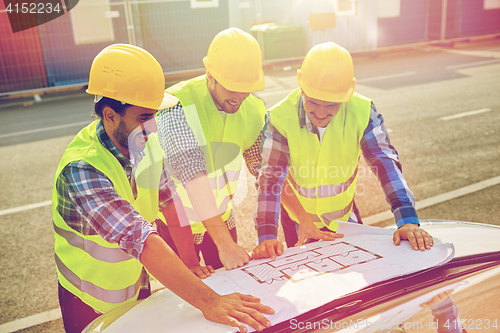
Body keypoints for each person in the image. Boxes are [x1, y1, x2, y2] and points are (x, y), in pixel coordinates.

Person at [52, 43, 274, 333]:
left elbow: (170, 202)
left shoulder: (145, 145)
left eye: (155, 115)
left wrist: (190, 262)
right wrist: (210, 301)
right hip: (87, 299)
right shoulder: (82, 168)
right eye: (144, 118)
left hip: (136, 285)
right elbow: (140, 238)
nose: (154, 127)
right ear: (110, 115)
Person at [252, 42, 434, 260]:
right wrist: (266, 236)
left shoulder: (363, 112)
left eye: (331, 105)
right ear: (301, 87)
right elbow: (270, 177)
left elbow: (384, 162)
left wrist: (407, 219)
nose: (320, 113)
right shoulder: (280, 118)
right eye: (313, 102)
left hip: (345, 217)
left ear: (347, 94)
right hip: (299, 221)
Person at [156, 27, 267, 271]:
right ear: (210, 75)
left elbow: (264, 170)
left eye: (246, 87)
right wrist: (225, 245)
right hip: (178, 227)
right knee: (188, 298)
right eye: (231, 87)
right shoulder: (175, 105)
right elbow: (191, 174)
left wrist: (267, 234)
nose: (239, 97)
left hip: (223, 219)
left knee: (231, 287)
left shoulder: (254, 109)